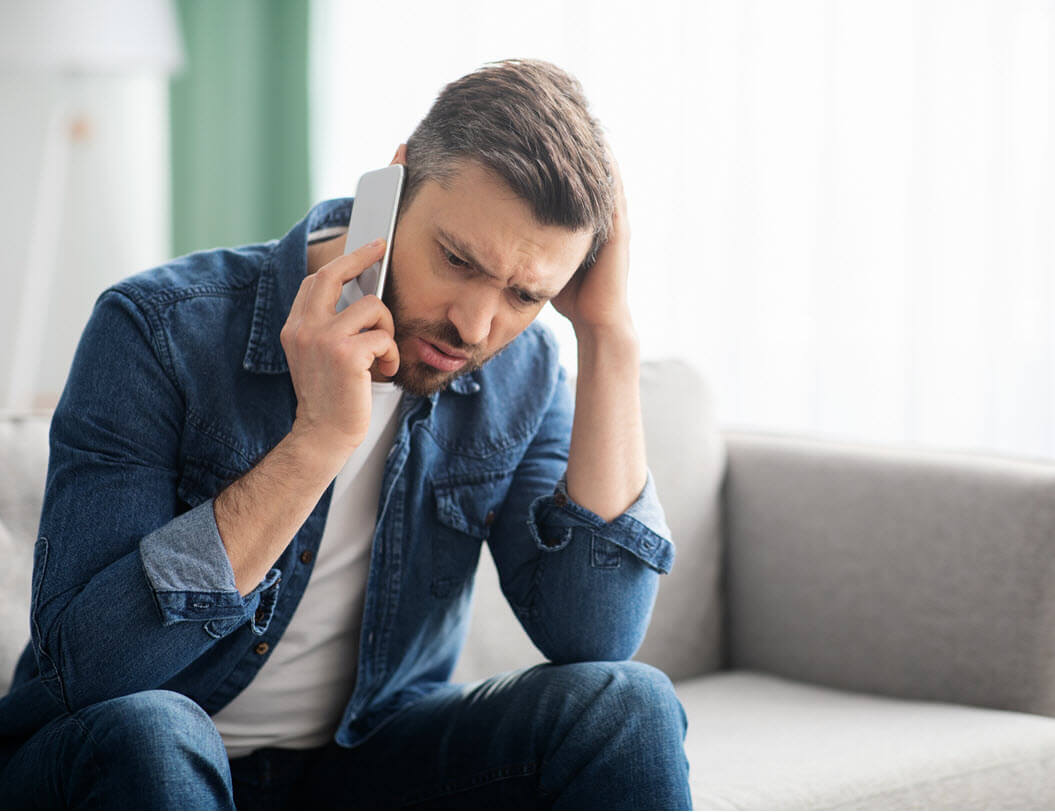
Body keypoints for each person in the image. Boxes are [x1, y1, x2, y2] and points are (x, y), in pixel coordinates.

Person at [0, 59, 690, 809]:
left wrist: (607, 335)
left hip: (365, 761)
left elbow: (593, 634)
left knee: (627, 703)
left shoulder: (519, 369)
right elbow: (92, 672)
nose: (475, 324)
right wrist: (316, 443)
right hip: (131, 759)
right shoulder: (158, 329)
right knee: (155, 733)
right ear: (389, 188)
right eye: (457, 260)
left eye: (527, 294)